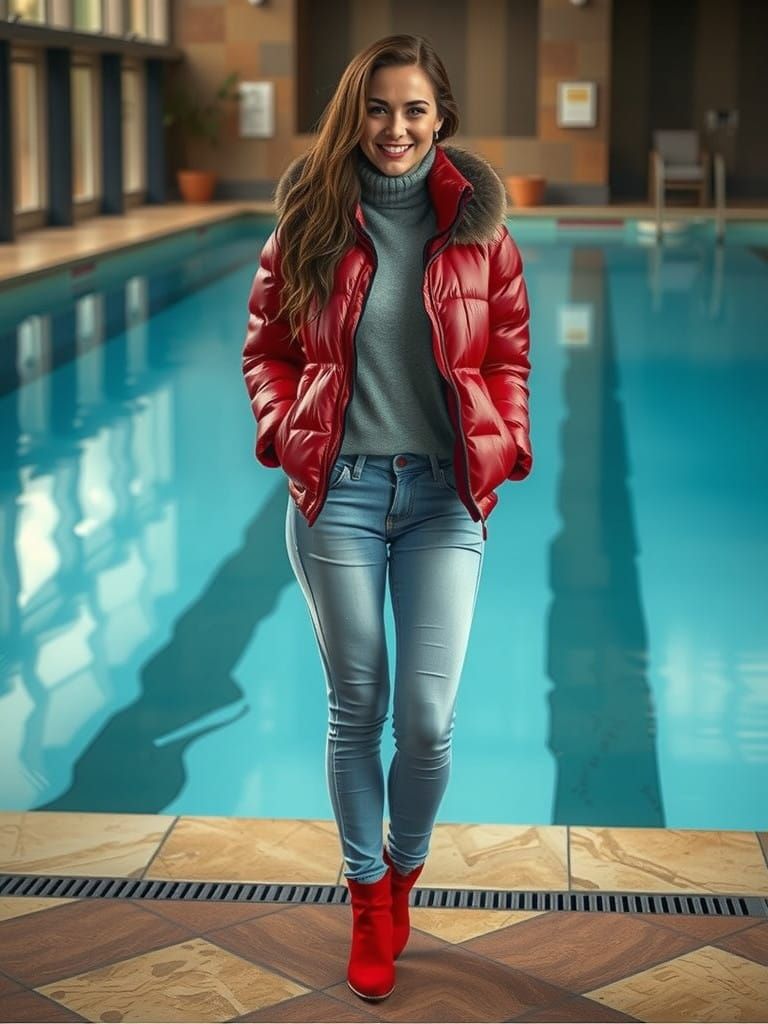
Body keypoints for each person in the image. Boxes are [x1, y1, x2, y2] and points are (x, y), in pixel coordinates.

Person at [242, 33, 532, 1002]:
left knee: (429, 720)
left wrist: (506, 442)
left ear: (440, 115)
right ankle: (368, 896)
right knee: (357, 705)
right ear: (354, 114)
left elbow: (510, 354)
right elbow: (267, 346)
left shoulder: (481, 228)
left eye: (414, 109)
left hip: (445, 498)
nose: (396, 128)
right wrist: (287, 434)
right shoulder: (312, 217)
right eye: (378, 108)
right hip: (342, 493)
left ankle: (405, 863)